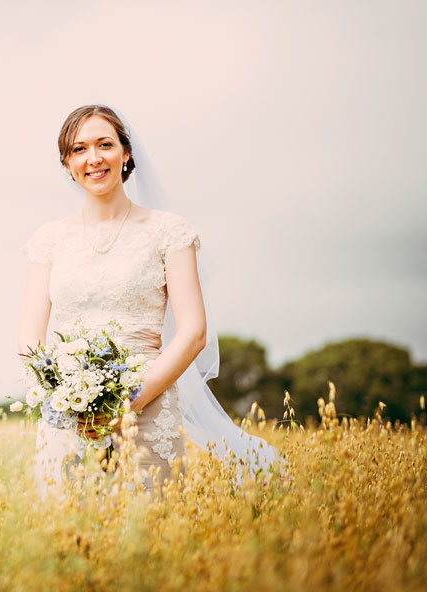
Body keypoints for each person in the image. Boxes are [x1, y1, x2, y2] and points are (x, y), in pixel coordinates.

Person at [18, 104, 278, 495]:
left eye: (105, 144)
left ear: (126, 152)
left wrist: (130, 402)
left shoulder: (168, 232)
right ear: (67, 163)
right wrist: (66, 396)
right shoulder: (49, 240)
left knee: (146, 535)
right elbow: (29, 340)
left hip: (149, 403)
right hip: (67, 414)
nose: (94, 159)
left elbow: (193, 332)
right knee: (66, 536)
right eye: (79, 149)